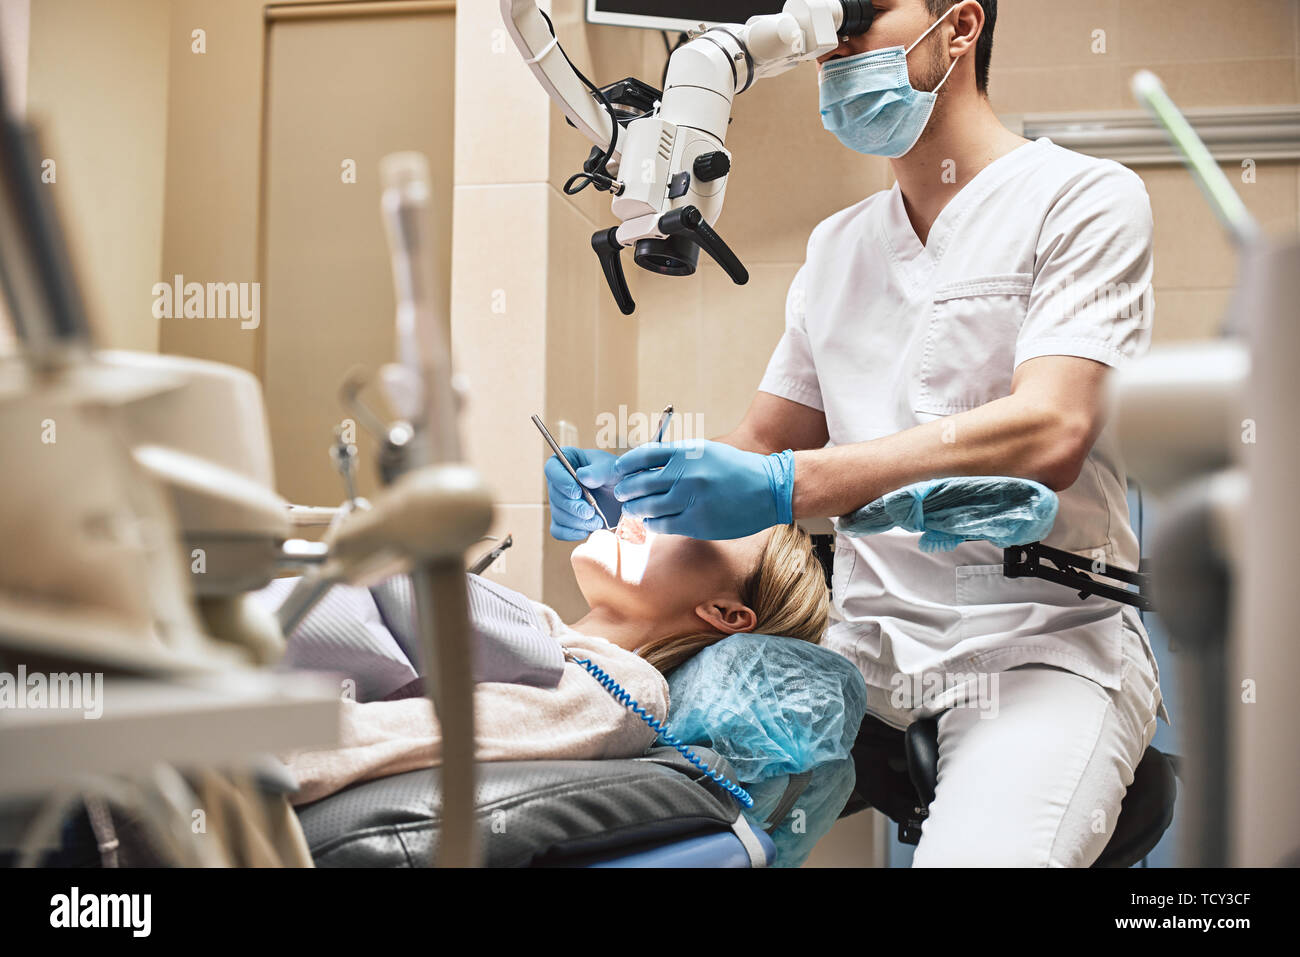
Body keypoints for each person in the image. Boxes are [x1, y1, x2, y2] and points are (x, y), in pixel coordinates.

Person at [545, 0, 1169, 866]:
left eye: (860, 17)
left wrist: (783, 489)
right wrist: (639, 484)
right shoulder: (838, 247)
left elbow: (1050, 428)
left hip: (1035, 644)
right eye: (825, 31)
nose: (834, 51)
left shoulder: (1083, 198)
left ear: (959, 28)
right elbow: (763, 438)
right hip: (863, 653)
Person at [281, 518, 828, 805]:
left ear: (726, 613)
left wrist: (211, 730)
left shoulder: (625, 688)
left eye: (689, 523)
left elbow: (379, 737)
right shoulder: (545, 634)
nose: (636, 519)